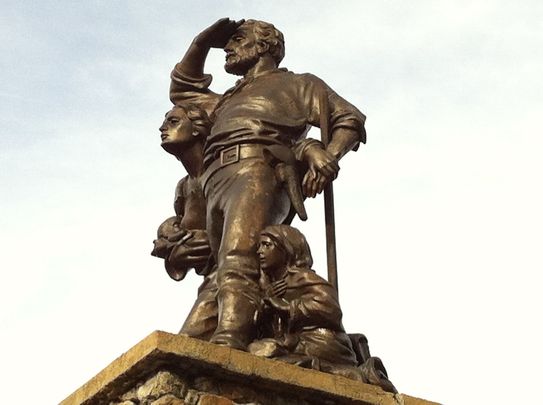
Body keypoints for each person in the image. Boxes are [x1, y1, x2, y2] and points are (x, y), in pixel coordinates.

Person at [169, 18, 367, 350]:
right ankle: (198, 336)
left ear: (262, 46)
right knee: (218, 269)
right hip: (216, 178)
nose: (228, 48)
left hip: (259, 169)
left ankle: (231, 336)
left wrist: (329, 156)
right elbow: (183, 89)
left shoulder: (299, 85)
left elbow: (349, 118)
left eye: (237, 40)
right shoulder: (226, 100)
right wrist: (201, 43)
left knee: (238, 255)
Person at [249, 225, 362, 381]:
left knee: (265, 350)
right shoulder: (270, 285)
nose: (260, 251)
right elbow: (260, 324)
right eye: (259, 246)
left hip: (319, 342)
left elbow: (331, 309)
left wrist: (289, 308)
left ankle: (319, 365)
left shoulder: (302, 278)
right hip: (292, 342)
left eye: (267, 245)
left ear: (286, 249)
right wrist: (266, 305)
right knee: (258, 349)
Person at [152, 104, 218, 340]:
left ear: (196, 130)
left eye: (173, 122)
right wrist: (170, 247)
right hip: (210, 277)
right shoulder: (184, 186)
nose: (162, 128)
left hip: (231, 275)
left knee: (189, 342)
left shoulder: (223, 173)